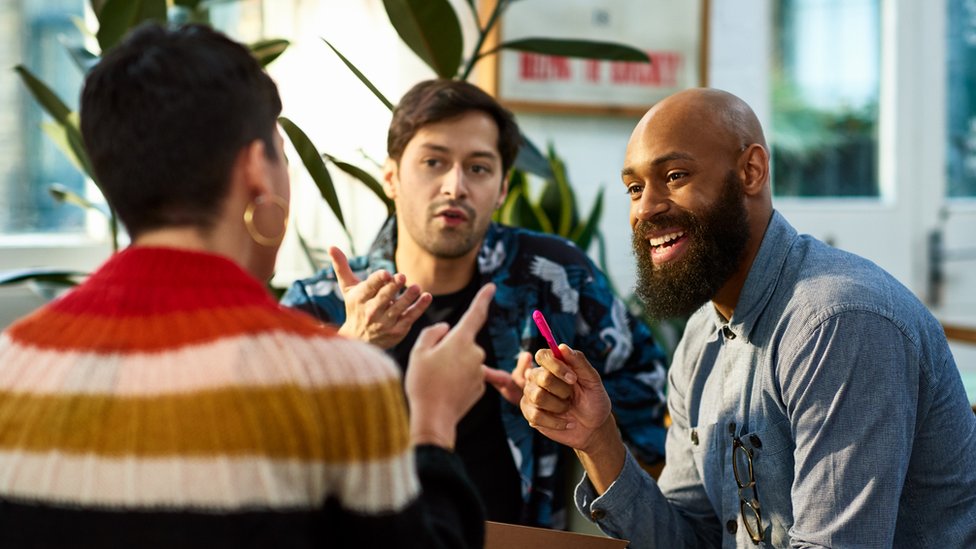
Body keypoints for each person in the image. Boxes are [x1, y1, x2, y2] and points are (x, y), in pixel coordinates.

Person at [0, 23, 491, 548]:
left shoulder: (11, 362)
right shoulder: (342, 379)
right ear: (258, 168)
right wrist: (434, 424)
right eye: (280, 152)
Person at [519, 87, 976, 547]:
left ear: (751, 171)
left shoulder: (837, 322)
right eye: (635, 188)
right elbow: (692, 540)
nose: (646, 207)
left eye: (674, 176)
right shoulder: (700, 340)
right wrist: (598, 440)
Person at [281, 79, 670, 528]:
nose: (455, 186)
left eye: (479, 168)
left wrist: (568, 402)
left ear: (503, 188)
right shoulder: (322, 303)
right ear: (391, 177)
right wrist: (348, 347)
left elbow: (651, 395)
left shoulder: (554, 277)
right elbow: (254, 453)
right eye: (433, 162)